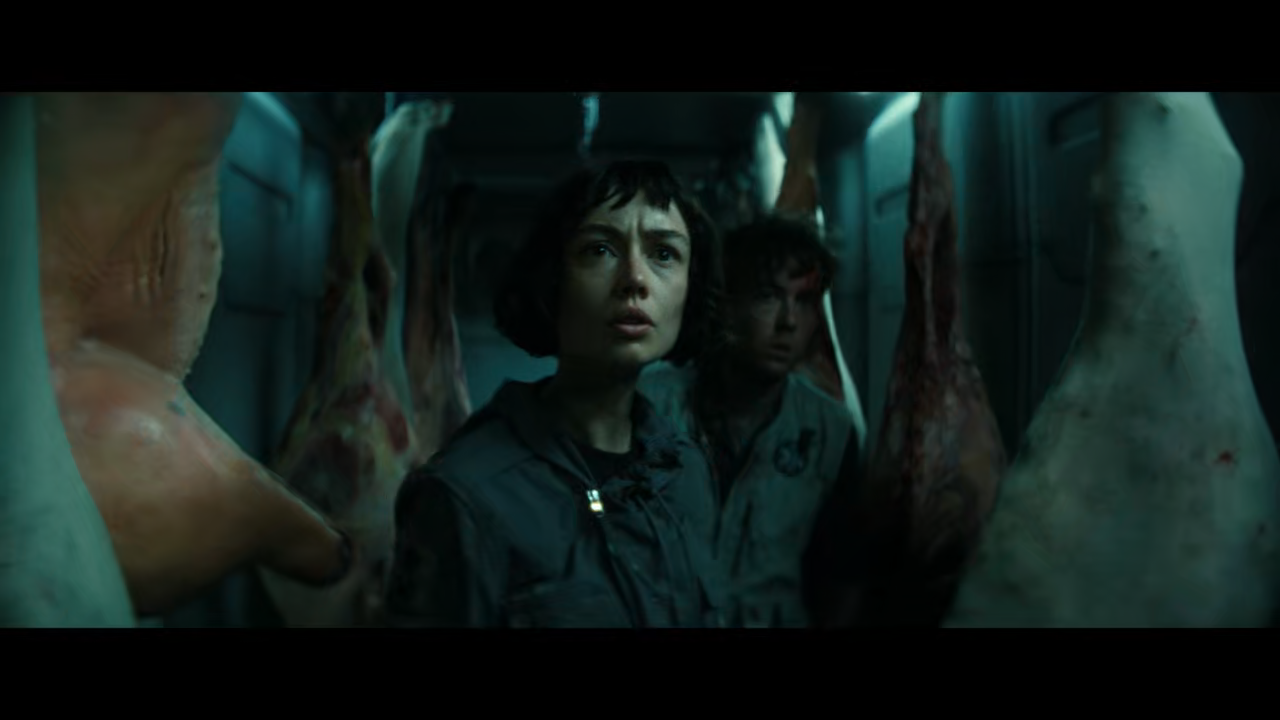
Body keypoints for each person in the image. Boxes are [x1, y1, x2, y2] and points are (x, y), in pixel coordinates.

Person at [384, 159, 727, 628]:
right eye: (600, 250)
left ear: (691, 286)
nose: (635, 278)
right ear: (553, 279)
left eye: (664, 254)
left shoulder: (686, 473)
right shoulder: (466, 493)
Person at [639, 213, 861, 628]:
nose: (788, 321)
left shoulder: (827, 429)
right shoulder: (651, 403)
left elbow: (841, 572)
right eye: (767, 296)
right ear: (726, 304)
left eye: (805, 301)